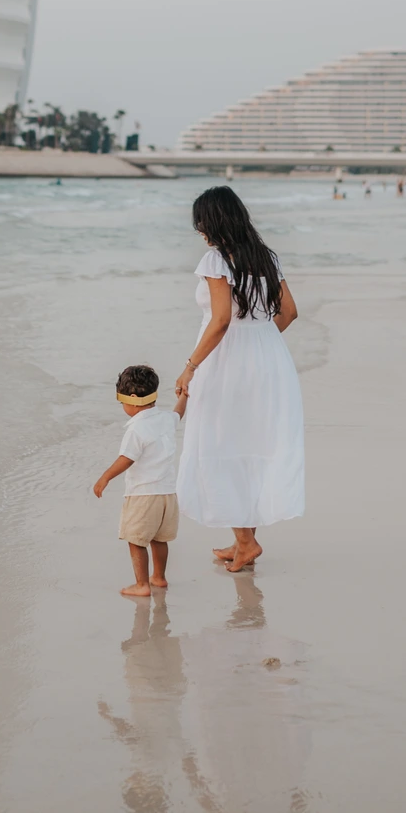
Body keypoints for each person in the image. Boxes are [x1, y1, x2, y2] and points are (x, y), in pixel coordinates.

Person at [175, 186, 303, 573]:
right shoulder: (266, 256)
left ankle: (246, 543)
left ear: (213, 222)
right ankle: (242, 539)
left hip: (225, 362)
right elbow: (290, 313)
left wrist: (190, 366)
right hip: (269, 362)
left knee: (219, 443)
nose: (200, 231)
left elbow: (220, 320)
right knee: (247, 444)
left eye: (201, 223)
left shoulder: (216, 260)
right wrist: (260, 344)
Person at [93, 365, 185, 599]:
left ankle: (142, 584)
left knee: (136, 540)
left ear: (132, 399)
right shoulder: (165, 418)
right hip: (168, 494)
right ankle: (159, 577)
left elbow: (127, 459)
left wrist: (105, 477)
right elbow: (179, 414)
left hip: (143, 494)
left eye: (121, 402)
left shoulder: (136, 428)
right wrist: (184, 395)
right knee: (160, 539)